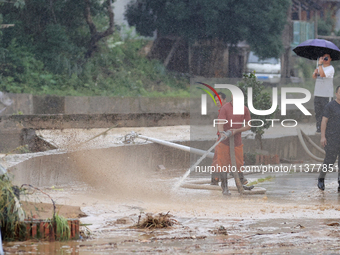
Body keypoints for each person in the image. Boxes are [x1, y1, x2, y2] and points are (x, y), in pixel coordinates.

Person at [212, 96, 251, 195]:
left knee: (238, 164)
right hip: (224, 141)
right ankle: (224, 187)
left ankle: (240, 185)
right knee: (223, 164)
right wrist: (222, 133)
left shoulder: (244, 109)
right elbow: (220, 122)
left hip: (237, 141)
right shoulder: (225, 108)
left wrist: (237, 131)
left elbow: (248, 125)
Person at [317, 85, 340, 191]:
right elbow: (324, 121)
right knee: (329, 161)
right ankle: (321, 179)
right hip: (332, 138)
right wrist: (323, 137)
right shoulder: (330, 106)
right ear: (336, 94)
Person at [312, 53, 334, 133]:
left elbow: (322, 74)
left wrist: (320, 65)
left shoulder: (331, 68)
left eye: (327, 57)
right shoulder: (319, 67)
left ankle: (328, 129)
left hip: (326, 95)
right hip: (318, 93)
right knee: (318, 112)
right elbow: (314, 77)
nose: (325, 59)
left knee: (326, 113)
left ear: (330, 59)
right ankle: (319, 128)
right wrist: (315, 72)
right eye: (324, 57)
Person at [211, 92, 228, 185]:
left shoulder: (227, 110)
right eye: (216, 100)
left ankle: (216, 180)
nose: (217, 102)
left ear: (225, 100)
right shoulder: (222, 111)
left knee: (219, 160)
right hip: (221, 138)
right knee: (217, 159)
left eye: (219, 100)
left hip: (225, 138)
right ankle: (215, 180)